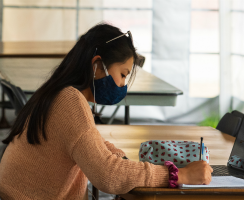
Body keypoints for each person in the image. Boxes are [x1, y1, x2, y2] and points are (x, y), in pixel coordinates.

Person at [0, 23, 213, 199]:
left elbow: (95, 146)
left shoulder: (58, 93)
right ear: (98, 66)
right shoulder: (69, 101)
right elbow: (107, 175)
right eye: (122, 74)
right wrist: (179, 175)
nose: (122, 85)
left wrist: (123, 162)